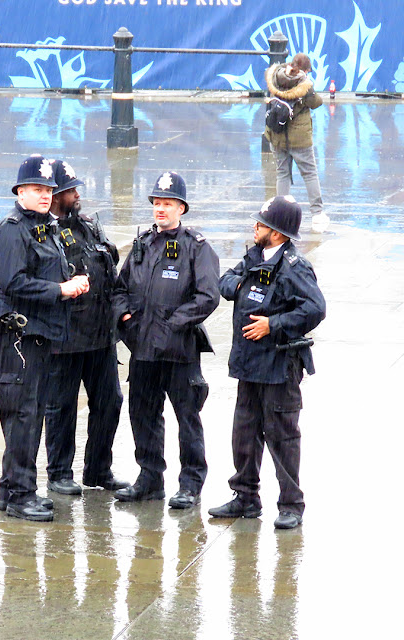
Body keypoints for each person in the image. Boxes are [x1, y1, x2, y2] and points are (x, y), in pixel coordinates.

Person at [0, 155, 90, 521]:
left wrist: (71, 282)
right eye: (37, 190)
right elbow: (12, 283)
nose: (45, 196)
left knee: (29, 415)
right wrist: (61, 289)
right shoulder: (13, 230)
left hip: (39, 335)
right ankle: (20, 495)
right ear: (20, 192)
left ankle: (10, 489)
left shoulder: (45, 227)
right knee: (22, 416)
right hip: (19, 338)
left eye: (48, 190)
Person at [208, 195, 326, 529]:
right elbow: (225, 282)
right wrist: (242, 283)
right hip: (249, 364)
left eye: (260, 224)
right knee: (244, 433)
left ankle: (291, 504)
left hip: (278, 365)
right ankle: (245, 496)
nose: (255, 227)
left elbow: (315, 308)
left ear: (276, 232)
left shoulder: (294, 267)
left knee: (282, 436)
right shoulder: (254, 256)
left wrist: (272, 324)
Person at [113, 172, 220, 509]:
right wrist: (126, 319)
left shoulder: (196, 248)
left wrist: (174, 323)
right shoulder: (143, 243)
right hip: (142, 350)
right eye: (156, 203)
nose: (160, 209)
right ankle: (149, 477)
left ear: (181, 208)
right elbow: (119, 288)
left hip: (179, 350)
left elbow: (207, 296)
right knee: (142, 414)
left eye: (167, 204)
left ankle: (190, 483)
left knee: (187, 418)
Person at [44, 159, 128, 496]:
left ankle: (98, 470)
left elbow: (110, 270)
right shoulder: (42, 232)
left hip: (99, 337)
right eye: (70, 190)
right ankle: (60, 473)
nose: (77, 194)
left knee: (110, 402)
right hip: (63, 339)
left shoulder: (90, 226)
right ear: (54, 195)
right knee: (62, 408)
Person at [264, 53, 329, 226]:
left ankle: (280, 214)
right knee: (309, 173)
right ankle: (317, 214)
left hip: (277, 134)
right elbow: (316, 102)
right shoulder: (304, 85)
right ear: (305, 70)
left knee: (282, 173)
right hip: (299, 137)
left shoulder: (276, 77)